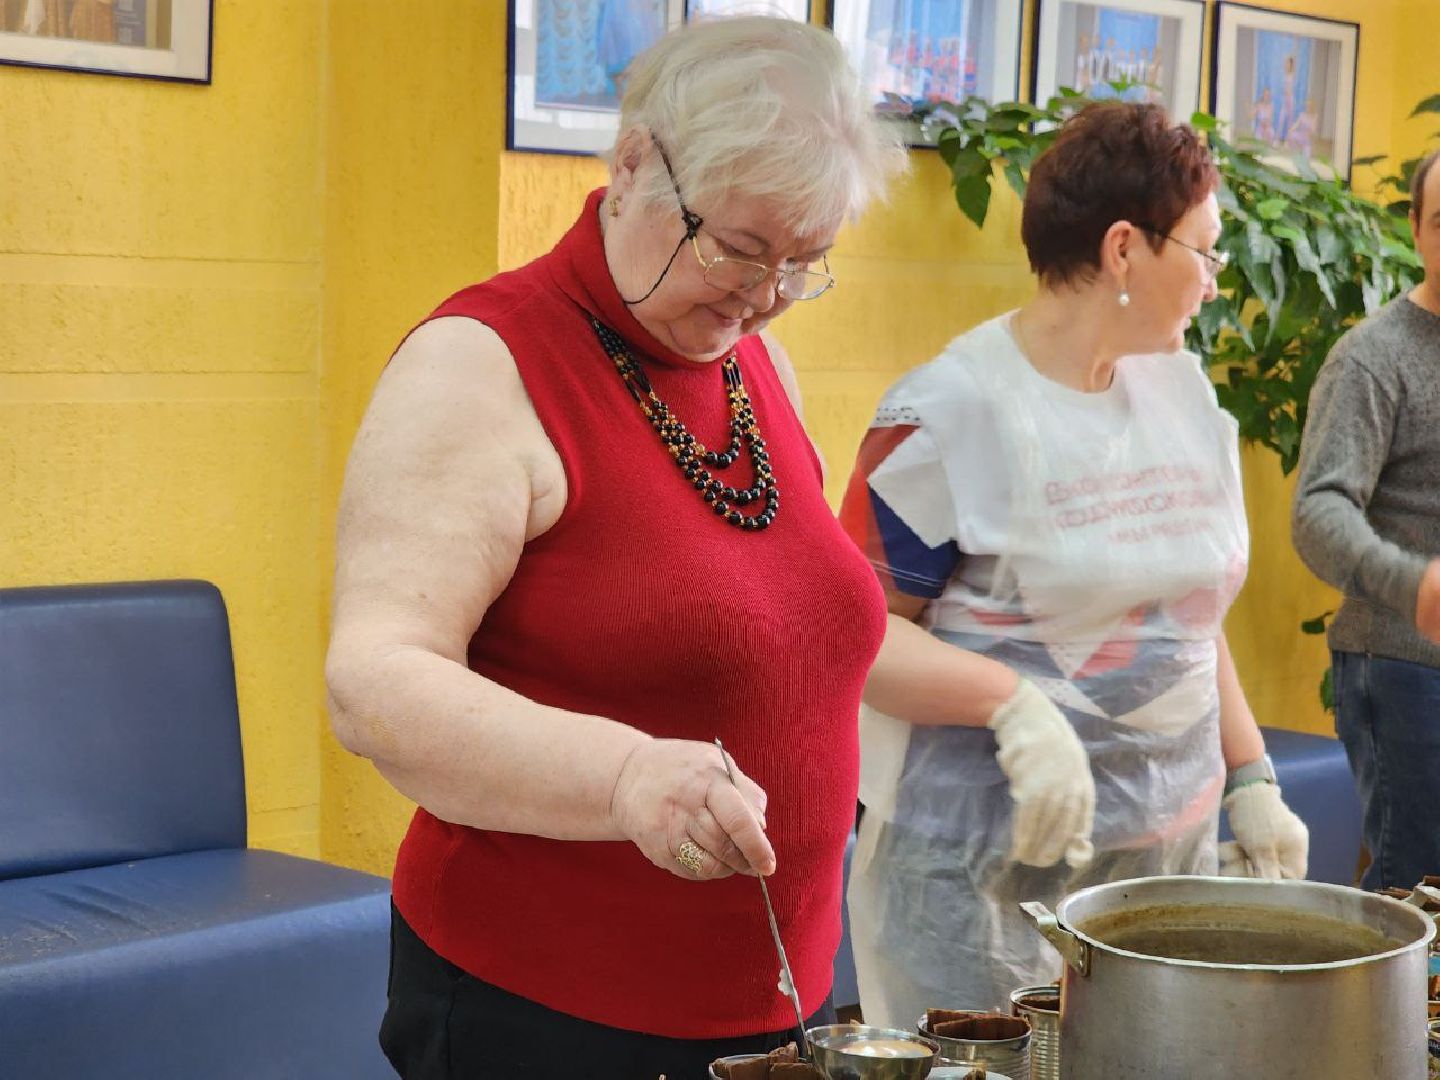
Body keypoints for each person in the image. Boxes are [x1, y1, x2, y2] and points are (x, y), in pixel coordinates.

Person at [325, 17, 907, 1080]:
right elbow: (375, 683)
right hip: (548, 1013)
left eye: (803, 263)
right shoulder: (480, 364)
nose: (764, 296)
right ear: (635, 163)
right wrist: (625, 777)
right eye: (739, 248)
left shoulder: (753, 365)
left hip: (781, 1005)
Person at [840, 102, 1310, 1024]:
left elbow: (1184, 613)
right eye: (1206, 252)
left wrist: (1251, 773)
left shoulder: (1176, 394)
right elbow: (853, 637)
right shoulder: (947, 416)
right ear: (1125, 249)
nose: (1215, 281)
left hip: (1160, 874)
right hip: (976, 885)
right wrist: (1009, 705)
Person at [1292, 148, 1440, 892]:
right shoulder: (1373, 357)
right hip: (1406, 668)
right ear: (1415, 228)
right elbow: (1318, 509)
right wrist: (1415, 585)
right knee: (1420, 899)